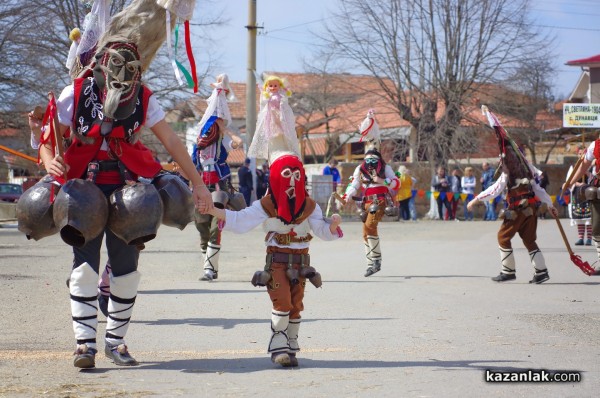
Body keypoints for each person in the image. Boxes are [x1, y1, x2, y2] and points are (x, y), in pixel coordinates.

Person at [34, 0, 213, 369]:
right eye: (115, 63)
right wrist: (48, 156)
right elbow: (53, 136)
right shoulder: (76, 92)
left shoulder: (144, 97)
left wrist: (198, 184)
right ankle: (85, 344)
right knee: (84, 267)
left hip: (129, 190)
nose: (122, 72)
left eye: (129, 66)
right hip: (84, 188)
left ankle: (116, 341)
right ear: (101, 61)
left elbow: (173, 143)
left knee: (126, 268)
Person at [468, 106, 557, 284]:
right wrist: (550, 204)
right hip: (531, 207)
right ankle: (541, 271)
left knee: (503, 237)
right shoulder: (527, 168)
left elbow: (496, 188)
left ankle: (508, 271)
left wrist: (476, 199)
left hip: (518, 208)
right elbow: (539, 189)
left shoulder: (510, 170)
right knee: (529, 240)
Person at [190, 73, 244, 282]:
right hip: (201, 184)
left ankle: (209, 270)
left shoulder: (222, 141)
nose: (211, 130)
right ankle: (208, 265)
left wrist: (226, 130)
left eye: (215, 127)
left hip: (219, 187)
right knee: (201, 224)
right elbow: (190, 163)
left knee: (215, 224)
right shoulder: (198, 145)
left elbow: (239, 143)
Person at [341, 146, 399, 276]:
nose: (370, 162)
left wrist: (381, 181)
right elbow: (354, 184)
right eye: (368, 159)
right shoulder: (359, 169)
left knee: (370, 226)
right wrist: (347, 195)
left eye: (373, 159)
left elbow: (396, 182)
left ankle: (376, 261)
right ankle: (370, 264)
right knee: (365, 232)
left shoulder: (385, 168)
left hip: (379, 201)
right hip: (366, 203)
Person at [564, 143, 600, 275]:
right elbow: (584, 165)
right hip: (595, 191)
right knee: (596, 228)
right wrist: (570, 182)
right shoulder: (595, 145)